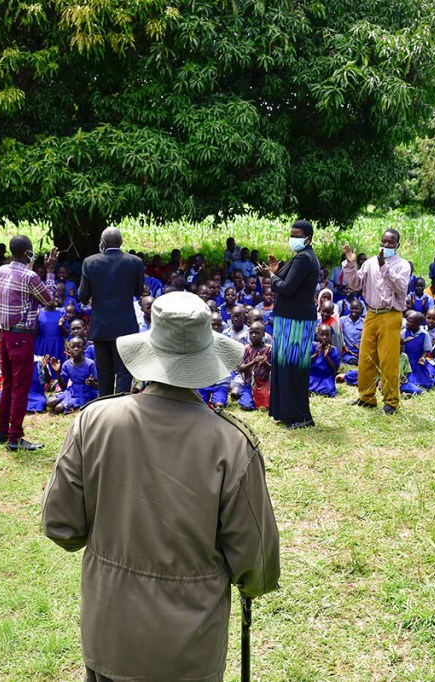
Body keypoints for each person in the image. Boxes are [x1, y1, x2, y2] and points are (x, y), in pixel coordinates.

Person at [41, 291, 279, 682]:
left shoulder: (93, 422)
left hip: (110, 636)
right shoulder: (233, 444)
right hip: (190, 651)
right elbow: (258, 571)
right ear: (208, 358)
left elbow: (61, 527)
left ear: (149, 351)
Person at [0, 236, 59, 451]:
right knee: (21, 387)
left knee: (8, 383)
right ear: (27, 253)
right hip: (22, 337)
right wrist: (50, 271)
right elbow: (49, 299)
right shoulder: (30, 277)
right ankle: (15, 438)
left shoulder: (1, 271)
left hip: (5, 335)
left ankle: (2, 431)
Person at [257, 219, 320, 428]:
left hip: (297, 322)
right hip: (289, 319)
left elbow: (286, 287)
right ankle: (286, 412)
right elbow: (288, 280)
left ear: (308, 238)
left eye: (297, 236)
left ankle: (302, 416)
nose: (293, 239)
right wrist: (275, 270)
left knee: (294, 368)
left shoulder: (305, 258)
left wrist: (269, 275)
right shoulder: (301, 256)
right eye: (291, 235)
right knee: (284, 366)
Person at [341, 229, 411, 415]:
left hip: (390, 314)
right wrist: (351, 264)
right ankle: (366, 396)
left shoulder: (403, 265)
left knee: (388, 360)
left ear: (397, 245)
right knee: (366, 357)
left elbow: (401, 287)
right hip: (371, 313)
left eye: (390, 242)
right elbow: (356, 284)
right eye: (384, 241)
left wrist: (384, 268)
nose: (386, 245)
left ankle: (391, 401)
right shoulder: (370, 263)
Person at [77, 227, 145, 396]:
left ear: (103, 242)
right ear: (121, 242)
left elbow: (83, 296)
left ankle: (105, 404)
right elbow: (138, 292)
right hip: (125, 325)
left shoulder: (90, 262)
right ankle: (120, 405)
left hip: (101, 325)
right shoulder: (135, 262)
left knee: (104, 370)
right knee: (124, 369)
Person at [47, 336, 99, 414]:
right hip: (72, 391)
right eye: (73, 347)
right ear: (68, 350)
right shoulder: (66, 364)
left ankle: (73, 406)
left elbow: (98, 386)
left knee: (58, 409)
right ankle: (67, 402)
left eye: (79, 347)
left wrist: (92, 383)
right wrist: (57, 372)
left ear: (84, 348)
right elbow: (63, 387)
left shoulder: (90, 363)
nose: (76, 349)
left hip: (85, 392)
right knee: (50, 402)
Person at [309, 324, 340, 397]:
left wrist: (327, 357)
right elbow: (305, 363)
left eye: (327, 335)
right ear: (317, 335)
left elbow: (335, 369)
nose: (324, 337)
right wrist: (316, 355)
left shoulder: (334, 350)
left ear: (330, 336)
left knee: (329, 390)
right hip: (312, 374)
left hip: (325, 377)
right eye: (322, 334)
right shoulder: (312, 346)